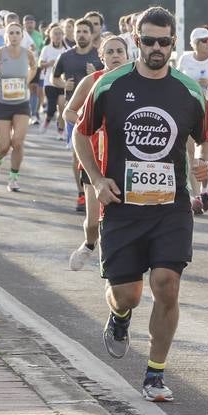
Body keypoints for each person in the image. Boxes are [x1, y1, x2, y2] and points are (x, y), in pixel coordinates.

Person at [74, 6, 208, 403]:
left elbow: (204, 137)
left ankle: (155, 373)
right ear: (136, 40)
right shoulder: (110, 85)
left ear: (173, 44)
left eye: (163, 42)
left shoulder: (188, 90)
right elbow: (81, 135)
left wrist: (202, 162)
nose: (155, 48)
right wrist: (97, 181)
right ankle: (118, 318)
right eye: (148, 40)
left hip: (171, 207)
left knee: (167, 285)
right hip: (123, 206)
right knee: (128, 295)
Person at [64, 35, 132, 270]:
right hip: (94, 157)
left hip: (125, 159)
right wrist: (91, 124)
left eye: (119, 51)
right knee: (94, 221)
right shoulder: (92, 81)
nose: (115, 55)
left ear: (127, 55)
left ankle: (114, 266)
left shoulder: (137, 82)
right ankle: (89, 243)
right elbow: (69, 113)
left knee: (119, 219)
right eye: (110, 52)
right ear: (102, 57)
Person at [176, 27, 208, 213]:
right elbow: (178, 81)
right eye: (205, 41)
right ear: (195, 44)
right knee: (190, 154)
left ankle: (204, 188)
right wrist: (192, 85)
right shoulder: (185, 59)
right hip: (188, 110)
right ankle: (196, 196)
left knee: (205, 157)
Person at [53, 19, 104, 211]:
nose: (81, 34)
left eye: (85, 31)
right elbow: (54, 77)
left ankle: (97, 189)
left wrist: (96, 72)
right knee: (77, 156)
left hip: (98, 113)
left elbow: (107, 76)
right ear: (74, 34)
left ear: (91, 35)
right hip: (74, 112)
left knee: (99, 153)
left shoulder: (99, 57)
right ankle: (82, 194)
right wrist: (62, 85)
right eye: (78, 31)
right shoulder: (66, 56)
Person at [0, 22, 38, 192]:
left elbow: (34, 67)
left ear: (22, 36)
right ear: (6, 36)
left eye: (17, 33)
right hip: (2, 103)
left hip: (21, 103)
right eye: (11, 33)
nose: (14, 36)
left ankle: (13, 178)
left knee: (17, 142)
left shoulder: (27, 53)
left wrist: (27, 81)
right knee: (3, 146)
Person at [38, 23, 68, 131]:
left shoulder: (67, 49)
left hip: (62, 83)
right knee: (51, 108)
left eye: (60, 33)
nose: (58, 36)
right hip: (49, 82)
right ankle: (47, 120)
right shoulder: (46, 49)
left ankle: (60, 129)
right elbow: (40, 64)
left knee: (62, 107)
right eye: (55, 33)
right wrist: (48, 64)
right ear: (50, 36)